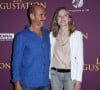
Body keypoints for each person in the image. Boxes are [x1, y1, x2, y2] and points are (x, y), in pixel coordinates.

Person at [11, 3, 50, 90]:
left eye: (45, 14)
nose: (45, 18)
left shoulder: (48, 35)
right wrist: (17, 84)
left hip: (45, 83)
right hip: (27, 85)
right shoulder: (21, 37)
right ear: (32, 16)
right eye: (41, 15)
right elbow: (16, 62)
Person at [50, 7, 84, 90]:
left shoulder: (77, 35)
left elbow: (80, 59)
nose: (62, 18)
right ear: (56, 20)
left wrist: (78, 81)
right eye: (59, 16)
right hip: (55, 75)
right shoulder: (51, 35)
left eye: (65, 15)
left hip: (70, 75)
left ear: (69, 18)